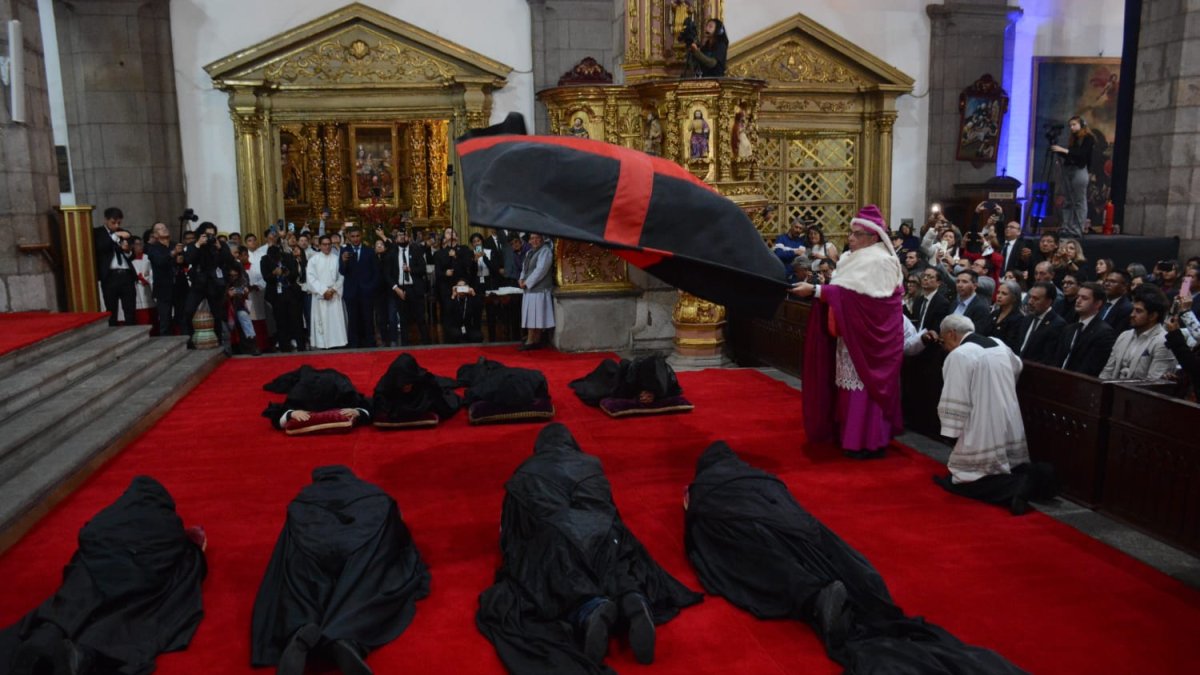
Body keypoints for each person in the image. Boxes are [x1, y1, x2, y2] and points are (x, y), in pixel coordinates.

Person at [684, 441, 1028, 674]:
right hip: (796, 524)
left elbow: (702, 538)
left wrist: (693, 508)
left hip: (746, 524)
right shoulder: (760, 476)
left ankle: (815, 596)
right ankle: (854, 588)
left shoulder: (705, 488)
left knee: (761, 561)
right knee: (828, 551)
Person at [476, 424, 703, 672]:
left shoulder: (524, 474)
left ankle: (590, 609)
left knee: (553, 572)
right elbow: (611, 513)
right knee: (614, 557)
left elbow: (511, 534)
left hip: (558, 542)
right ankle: (631, 596)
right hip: (603, 535)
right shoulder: (591, 465)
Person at [0, 476, 207, 675]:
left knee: (76, 597)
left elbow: (87, 538)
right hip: (132, 577)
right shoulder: (168, 527)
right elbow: (183, 558)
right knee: (129, 610)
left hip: (95, 564)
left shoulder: (112, 515)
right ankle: (83, 654)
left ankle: (48, 631)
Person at [251, 466, 429, 675]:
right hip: (361, 543)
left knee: (298, 582)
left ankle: (299, 628)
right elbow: (400, 545)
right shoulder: (376, 496)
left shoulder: (301, 502)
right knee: (366, 584)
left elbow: (281, 564)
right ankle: (345, 634)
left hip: (312, 539)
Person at [790, 205, 905, 459]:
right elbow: (848, 293)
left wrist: (817, 291)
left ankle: (867, 441)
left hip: (872, 342)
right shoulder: (855, 258)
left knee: (864, 389)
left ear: (873, 237)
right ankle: (850, 436)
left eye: (856, 234)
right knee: (850, 388)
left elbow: (870, 302)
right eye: (851, 233)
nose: (850, 238)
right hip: (853, 335)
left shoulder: (881, 260)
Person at [935, 314, 1056, 515]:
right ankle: (1038, 478)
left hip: (982, 420)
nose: (945, 346)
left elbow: (954, 394)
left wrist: (951, 428)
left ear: (951, 334)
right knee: (1007, 462)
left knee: (962, 479)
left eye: (943, 340)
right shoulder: (998, 344)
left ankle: (1016, 488)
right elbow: (1017, 366)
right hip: (1007, 410)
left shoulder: (960, 355)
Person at [1099, 285, 1178, 381]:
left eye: (1138, 311)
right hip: (1113, 390)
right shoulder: (1124, 335)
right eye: (1133, 309)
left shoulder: (1163, 341)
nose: (1132, 315)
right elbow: (1108, 370)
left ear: (1153, 316)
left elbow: (1153, 383)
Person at [261, 365, 371, 433]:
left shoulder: (344, 391)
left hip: (334, 381)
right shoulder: (301, 393)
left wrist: (358, 411)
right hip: (308, 380)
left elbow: (369, 405)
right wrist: (291, 413)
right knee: (304, 371)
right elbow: (278, 415)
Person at [182, 221, 236, 348]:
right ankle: (188, 340)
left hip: (214, 283)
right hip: (198, 283)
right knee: (188, 310)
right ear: (201, 235)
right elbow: (188, 259)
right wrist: (198, 244)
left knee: (217, 313)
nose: (211, 237)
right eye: (208, 235)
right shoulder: (193, 245)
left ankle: (218, 340)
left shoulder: (220, 245)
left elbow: (230, 261)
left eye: (213, 234)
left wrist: (220, 248)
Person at [371, 353, 461, 425]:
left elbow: (443, 406)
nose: (405, 386)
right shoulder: (386, 385)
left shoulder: (426, 383)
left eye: (408, 382)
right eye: (402, 383)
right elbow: (379, 403)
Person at [1053, 281, 1117, 376]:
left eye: (1084, 298)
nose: (1078, 300)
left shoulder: (1104, 333)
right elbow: (1057, 359)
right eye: (1078, 297)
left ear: (1098, 304)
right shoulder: (1069, 329)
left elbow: (1091, 367)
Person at [1050, 115, 1095, 239]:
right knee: (1068, 200)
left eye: (1074, 124)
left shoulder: (1088, 138)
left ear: (1081, 124)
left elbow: (1082, 155)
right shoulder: (1074, 139)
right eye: (1070, 125)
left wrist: (1064, 151)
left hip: (1079, 170)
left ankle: (1077, 228)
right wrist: (1060, 152)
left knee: (1079, 200)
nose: (1072, 127)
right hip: (1069, 169)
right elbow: (1072, 155)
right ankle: (1066, 226)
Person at [93, 207, 136, 326]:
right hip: (110, 276)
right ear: (106, 220)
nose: (116, 225)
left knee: (130, 309)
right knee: (112, 309)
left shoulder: (124, 232)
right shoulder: (98, 233)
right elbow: (101, 248)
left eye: (119, 223)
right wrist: (114, 236)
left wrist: (127, 250)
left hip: (126, 275)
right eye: (113, 222)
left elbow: (131, 253)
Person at [306, 235, 349, 350]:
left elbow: (341, 276)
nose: (327, 247)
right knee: (322, 321)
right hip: (321, 296)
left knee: (335, 321)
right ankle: (323, 344)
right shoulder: (313, 260)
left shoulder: (336, 258)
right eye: (324, 244)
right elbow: (311, 278)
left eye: (329, 244)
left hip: (334, 294)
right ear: (319, 245)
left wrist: (334, 289)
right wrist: (324, 291)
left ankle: (338, 342)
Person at [339, 226, 379, 348]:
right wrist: (344, 261)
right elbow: (342, 271)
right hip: (351, 292)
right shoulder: (344, 251)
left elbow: (376, 272)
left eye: (357, 236)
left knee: (368, 319)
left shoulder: (370, 251)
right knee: (353, 319)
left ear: (361, 236)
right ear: (348, 237)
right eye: (353, 236)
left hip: (367, 292)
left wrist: (370, 287)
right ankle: (354, 344)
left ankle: (370, 343)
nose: (355, 239)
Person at [262, 243, 304, 352]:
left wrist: (285, 273)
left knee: (296, 320)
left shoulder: (288, 257)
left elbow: (295, 274)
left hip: (291, 292)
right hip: (276, 294)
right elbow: (266, 277)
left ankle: (301, 345)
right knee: (281, 321)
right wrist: (274, 273)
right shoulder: (265, 260)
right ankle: (284, 346)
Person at [518, 232, 555, 350]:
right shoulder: (529, 252)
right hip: (529, 290)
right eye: (532, 238)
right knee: (531, 316)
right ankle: (535, 340)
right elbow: (525, 268)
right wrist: (521, 279)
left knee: (537, 316)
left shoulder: (546, 251)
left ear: (542, 239)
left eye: (537, 238)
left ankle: (532, 340)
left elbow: (540, 271)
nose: (534, 240)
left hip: (539, 290)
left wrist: (527, 282)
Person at [1015, 281, 1065, 364]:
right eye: (1030, 297)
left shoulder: (1057, 325)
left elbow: (1048, 358)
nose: (1030, 302)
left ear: (1048, 302)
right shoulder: (1027, 318)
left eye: (1036, 298)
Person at [145, 222, 178, 336]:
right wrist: (173, 254)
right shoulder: (153, 248)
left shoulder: (175, 245)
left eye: (164, 227)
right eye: (159, 229)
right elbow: (159, 261)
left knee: (183, 317)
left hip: (179, 286)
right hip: (163, 288)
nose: (163, 229)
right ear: (155, 235)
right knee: (165, 320)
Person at [951, 269, 992, 335]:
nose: (959, 285)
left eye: (964, 282)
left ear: (975, 286)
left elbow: (976, 334)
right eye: (958, 281)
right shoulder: (954, 303)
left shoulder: (981, 308)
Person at [991, 279, 1025, 352]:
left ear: (1014, 298)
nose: (999, 296)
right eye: (998, 292)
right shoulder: (994, 313)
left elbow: (1011, 344)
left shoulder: (1019, 319)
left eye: (1004, 294)